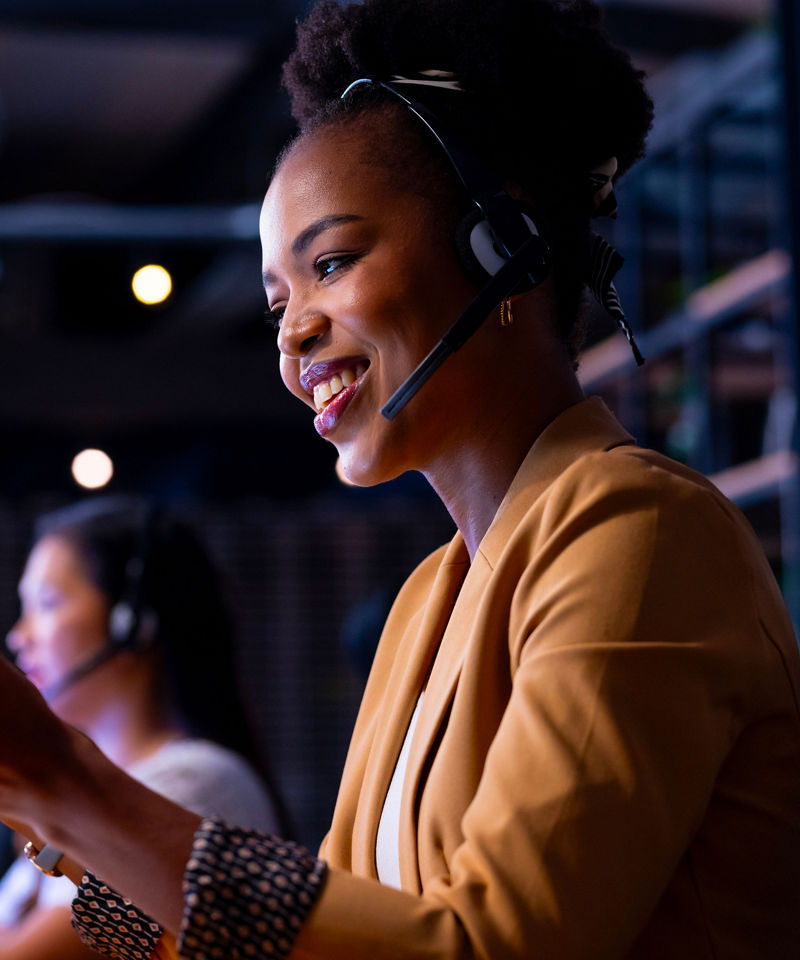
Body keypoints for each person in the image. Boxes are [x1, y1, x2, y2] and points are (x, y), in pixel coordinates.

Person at [0, 0, 798, 957]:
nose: (293, 333)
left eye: (330, 263)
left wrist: (70, 784)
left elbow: (495, 945)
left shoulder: (638, 528)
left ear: (502, 247)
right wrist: (46, 807)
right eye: (275, 303)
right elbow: (338, 929)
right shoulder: (428, 599)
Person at [0, 496, 283, 959]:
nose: (18, 635)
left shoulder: (195, 786)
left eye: (46, 604)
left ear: (128, 622)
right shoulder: (91, 794)